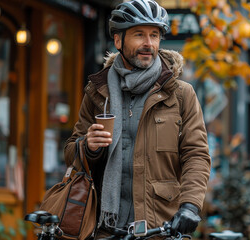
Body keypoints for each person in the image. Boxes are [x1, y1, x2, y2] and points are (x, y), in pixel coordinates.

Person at [64, 0, 211, 238]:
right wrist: (87, 147)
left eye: (154, 35)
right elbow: (70, 152)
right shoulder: (97, 92)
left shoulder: (180, 94)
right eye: (139, 34)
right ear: (118, 40)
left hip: (159, 228)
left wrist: (190, 206)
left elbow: (196, 155)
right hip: (103, 228)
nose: (148, 43)